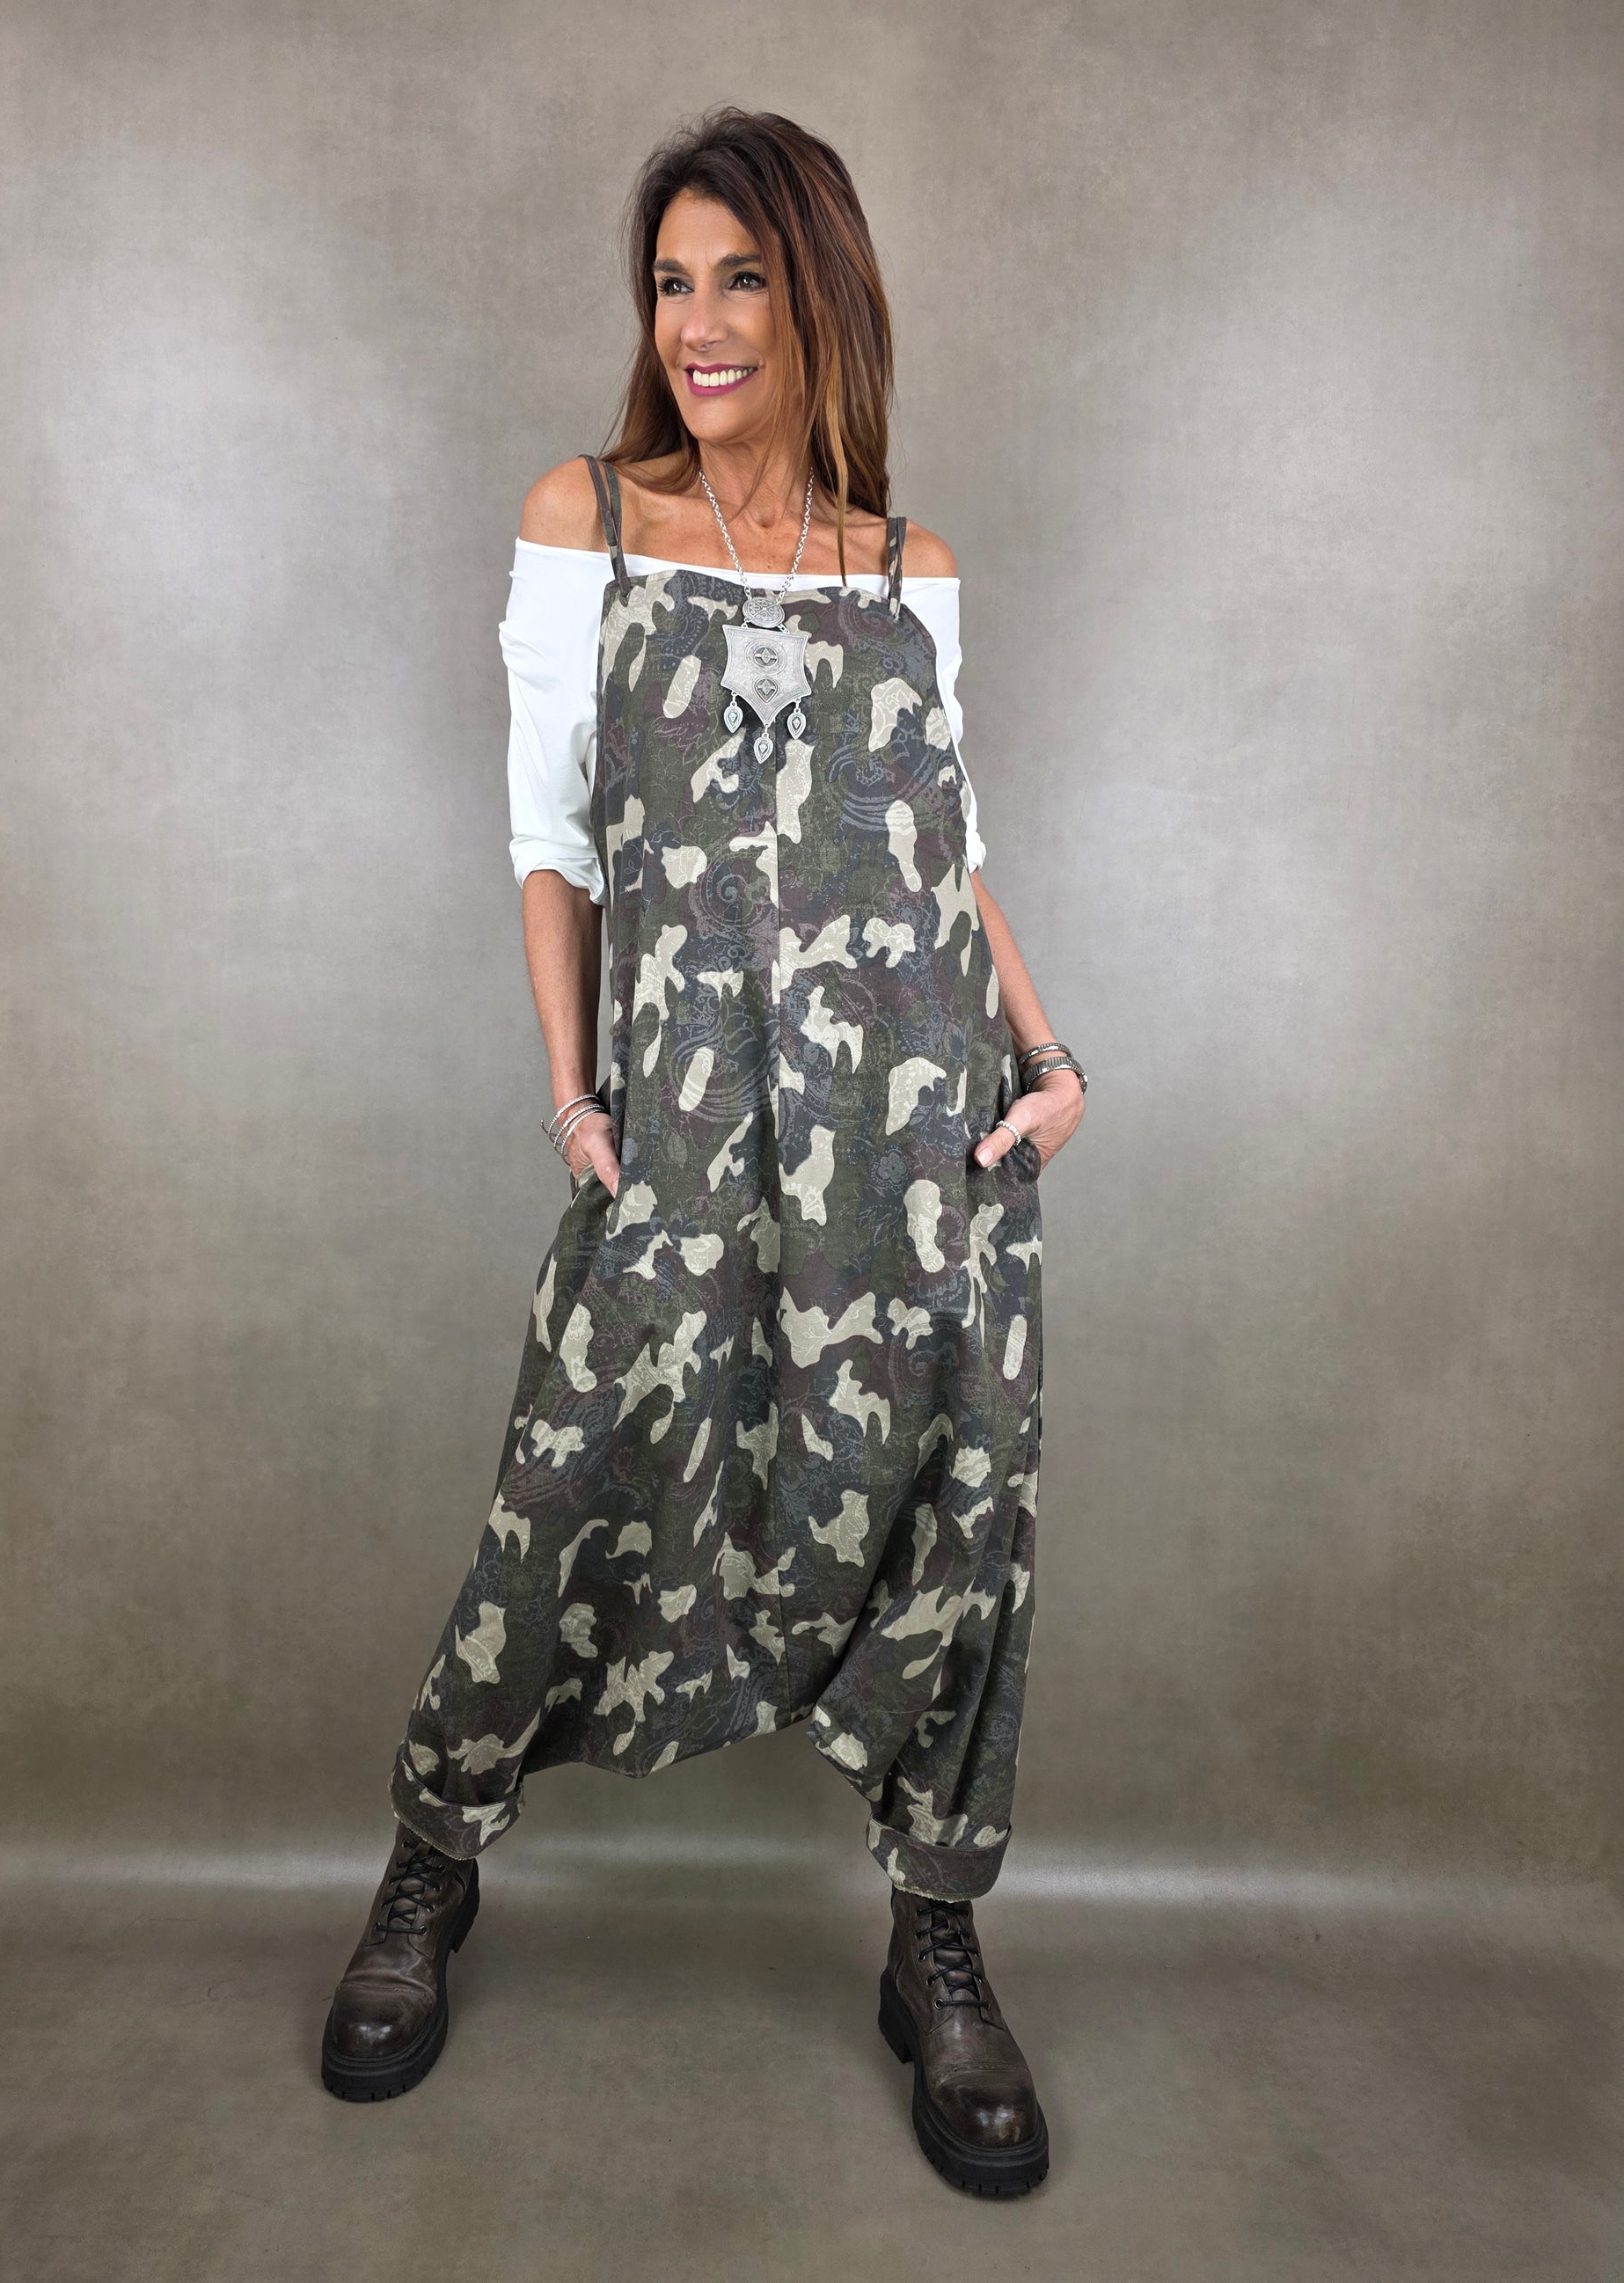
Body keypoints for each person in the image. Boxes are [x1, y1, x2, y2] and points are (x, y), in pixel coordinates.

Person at [319, 106, 1086, 2198]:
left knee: (957, 1517)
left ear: (820, 293)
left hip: (916, 1145)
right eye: (670, 281)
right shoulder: (588, 518)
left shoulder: (908, 567)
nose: (699, 321)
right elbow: (551, 838)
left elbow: (954, 851)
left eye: (741, 274)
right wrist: (583, 1105)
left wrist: (1047, 1054)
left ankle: (935, 1935)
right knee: (563, 1481)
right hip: (683, 1134)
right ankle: (432, 1856)